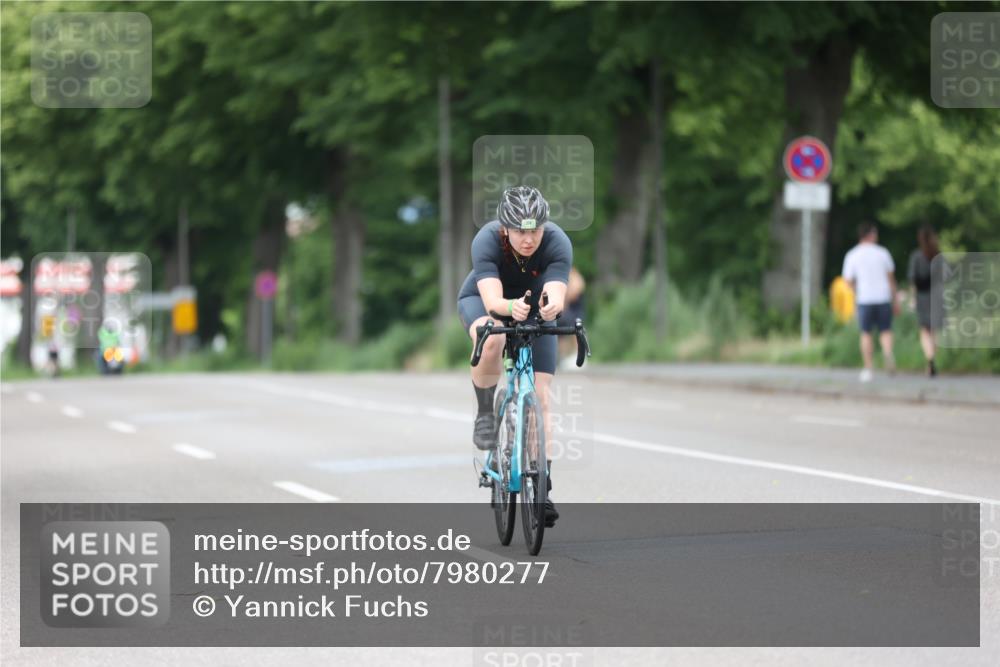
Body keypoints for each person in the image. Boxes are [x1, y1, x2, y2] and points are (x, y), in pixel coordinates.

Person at [457, 185, 571, 527]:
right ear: (505, 228)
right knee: (489, 337)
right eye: (520, 231)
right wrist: (510, 308)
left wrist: (550, 307)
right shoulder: (487, 240)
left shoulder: (557, 242)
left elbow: (556, 291)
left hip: (533, 309)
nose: (528, 238)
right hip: (486, 302)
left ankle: (542, 488)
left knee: (541, 397)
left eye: (535, 230)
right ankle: (485, 412)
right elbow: (492, 300)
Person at [842, 222, 898, 383]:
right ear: (871, 235)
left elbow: (847, 281)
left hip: (864, 299)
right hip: (883, 298)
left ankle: (868, 367)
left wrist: (857, 290)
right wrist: (895, 300)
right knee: (885, 331)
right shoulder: (883, 253)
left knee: (866, 333)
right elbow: (891, 279)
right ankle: (888, 354)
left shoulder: (852, 255)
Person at [908, 225, 943, 377]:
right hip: (937, 295)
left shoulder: (916, 256)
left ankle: (930, 360)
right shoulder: (938, 255)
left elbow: (913, 279)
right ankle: (931, 361)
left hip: (922, 296)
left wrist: (912, 298)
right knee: (934, 330)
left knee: (924, 331)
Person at [557, 267, 586, 369]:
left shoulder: (575, 276)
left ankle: (580, 355)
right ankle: (563, 357)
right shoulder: (562, 275)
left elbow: (576, 291)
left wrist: (565, 297)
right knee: (561, 334)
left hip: (575, 311)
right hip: (566, 311)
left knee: (577, 332)